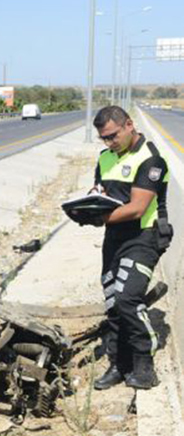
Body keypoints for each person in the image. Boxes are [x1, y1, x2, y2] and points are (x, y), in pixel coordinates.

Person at [89, 106, 172, 391]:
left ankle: (144, 366)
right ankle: (118, 364)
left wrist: (100, 218)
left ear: (129, 125)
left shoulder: (151, 159)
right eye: (103, 138)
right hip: (114, 238)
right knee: (113, 302)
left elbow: (137, 208)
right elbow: (100, 192)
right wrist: (88, 205)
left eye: (113, 135)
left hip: (143, 237)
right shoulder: (105, 157)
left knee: (128, 300)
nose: (109, 142)